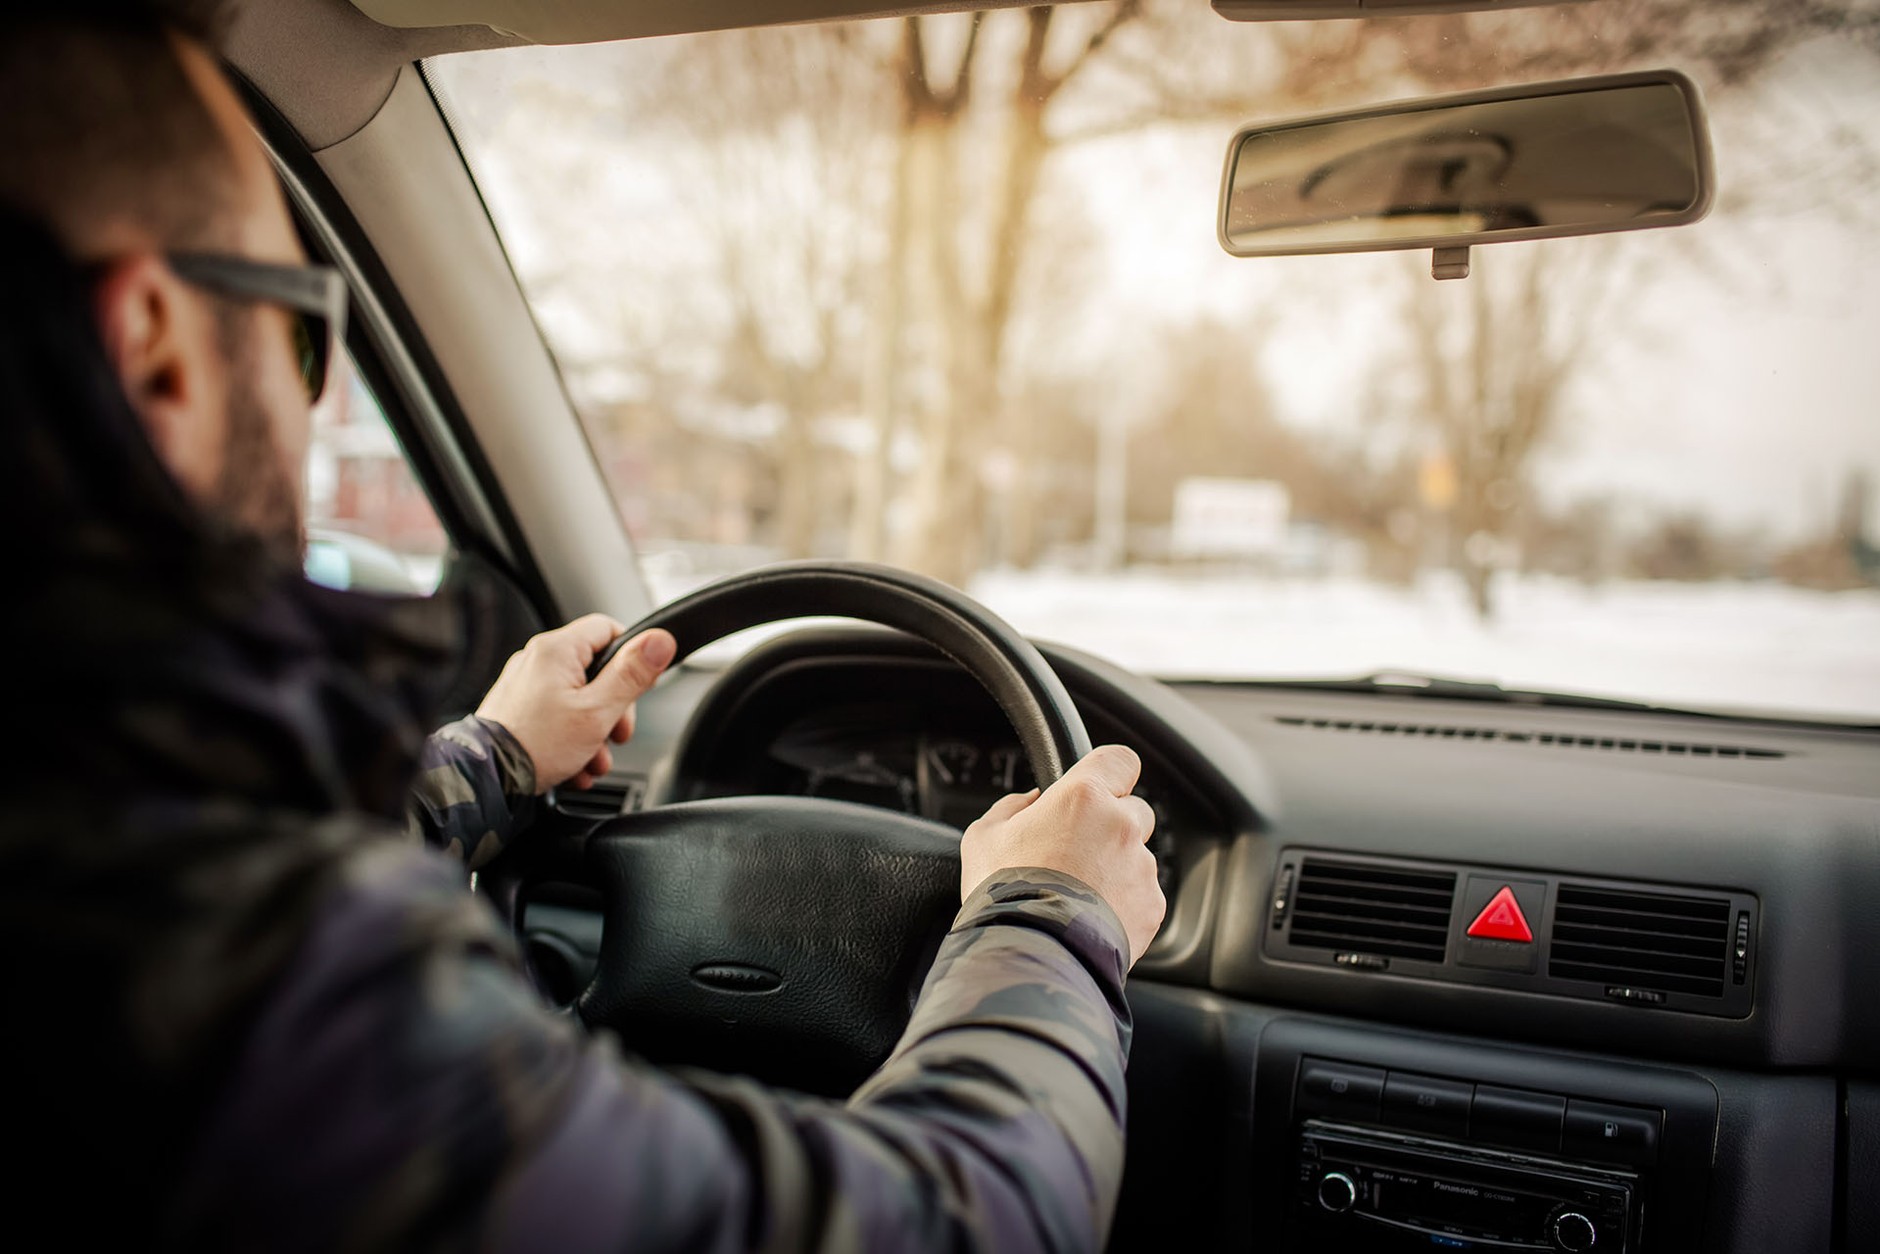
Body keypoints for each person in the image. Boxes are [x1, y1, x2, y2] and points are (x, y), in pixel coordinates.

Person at [0, 2, 1167, 1250]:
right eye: (296, 337)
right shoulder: (240, 988)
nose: (304, 406)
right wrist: (1048, 914)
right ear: (159, 352)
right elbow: (955, 1224)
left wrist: (494, 757)